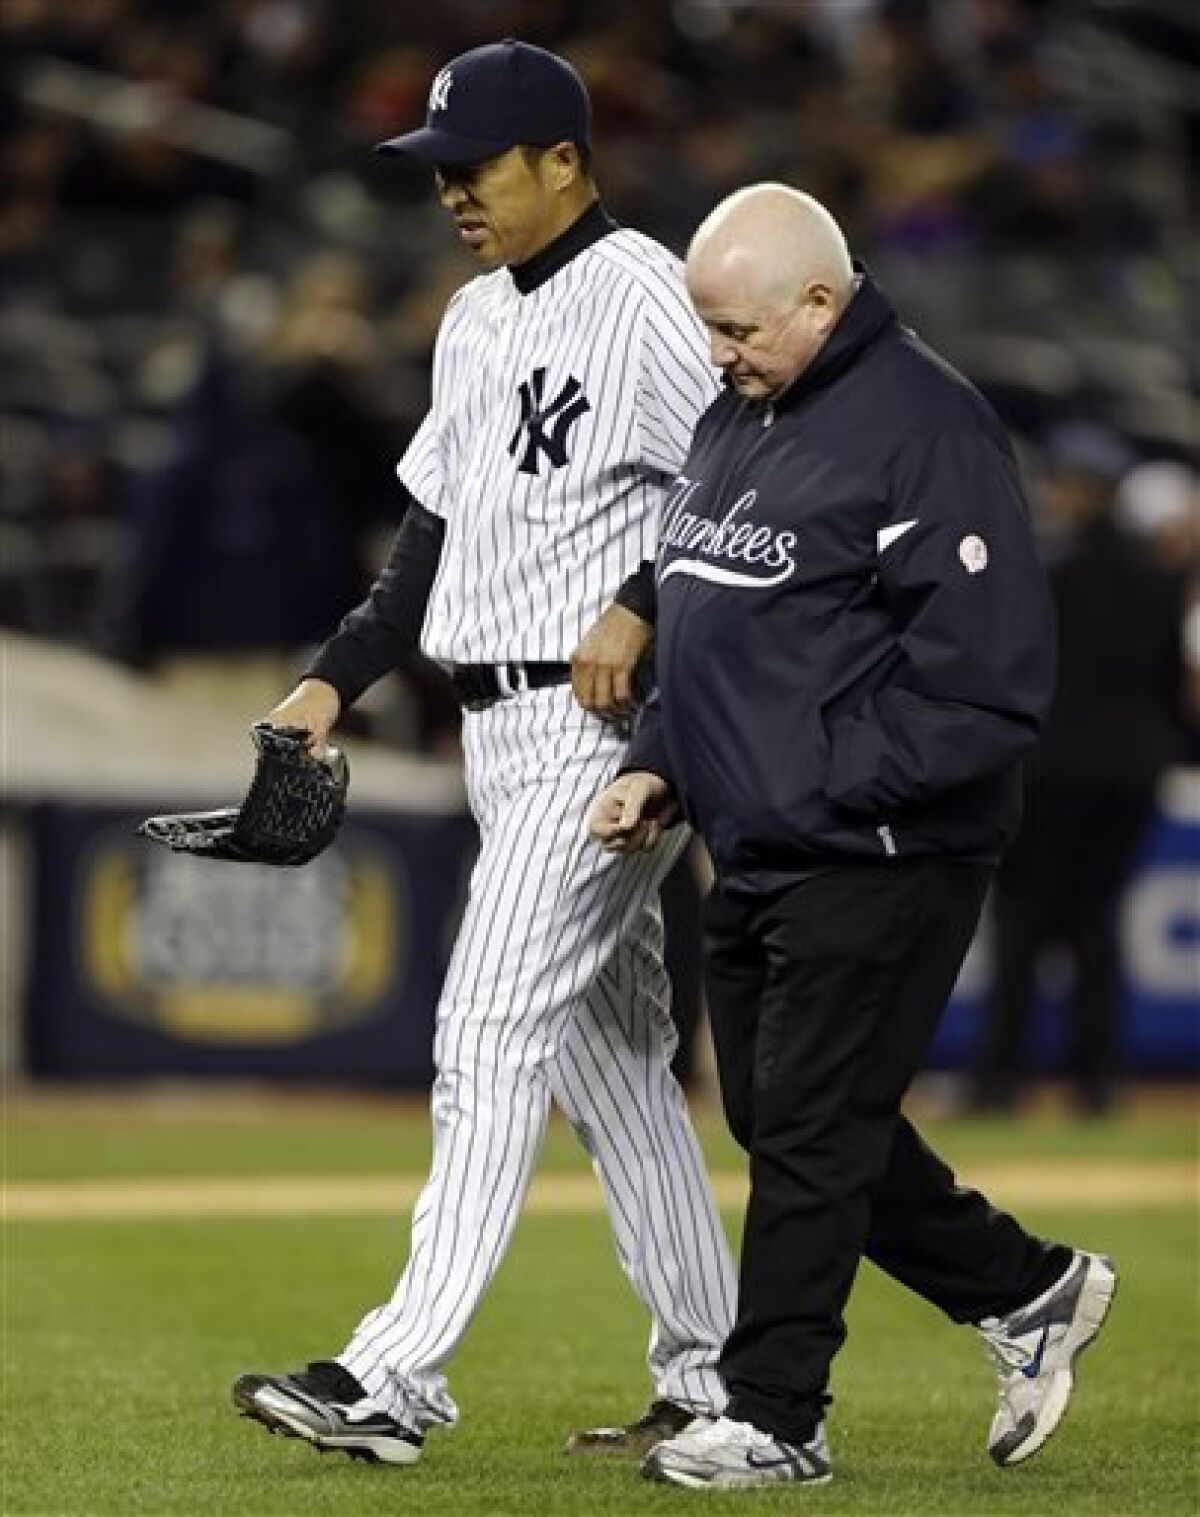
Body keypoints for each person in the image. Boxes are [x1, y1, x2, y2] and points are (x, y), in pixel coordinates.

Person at [231, 39, 736, 1467]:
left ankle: (394, 1376)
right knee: (618, 1061)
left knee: (488, 1029)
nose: (453, 190)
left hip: (600, 736)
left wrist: (641, 606)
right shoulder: (469, 318)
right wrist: (332, 683)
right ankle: (712, 1374)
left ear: (565, 159)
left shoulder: (644, 289)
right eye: (438, 169)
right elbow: (429, 542)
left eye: (479, 165)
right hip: (491, 721)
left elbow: (742, 483)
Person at [590, 184, 1116, 1491]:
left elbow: (990, 687)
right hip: (760, 834)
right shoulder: (748, 410)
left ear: (820, 300)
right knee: (779, 1114)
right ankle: (1028, 1288)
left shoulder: (929, 430)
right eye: (708, 329)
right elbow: (707, 607)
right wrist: (662, 760)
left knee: (814, 1125)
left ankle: (775, 1413)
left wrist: (817, 781)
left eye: (737, 327)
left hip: (880, 848)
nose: (718, 353)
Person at [973, 424, 1189, 1115]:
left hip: (1048, 768)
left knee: (1024, 922)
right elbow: (1169, 687)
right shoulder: (1160, 578)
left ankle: (999, 1079)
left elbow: (1010, 672)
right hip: (1131, 770)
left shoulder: (1044, 568)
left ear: (1070, 489)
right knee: (1097, 925)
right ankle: (1096, 1081)